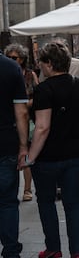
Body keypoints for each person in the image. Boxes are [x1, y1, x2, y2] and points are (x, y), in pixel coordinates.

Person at [19, 41, 79, 258]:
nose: (39, 67)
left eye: (41, 63)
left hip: (49, 157)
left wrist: (30, 157)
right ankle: (77, 252)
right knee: (73, 204)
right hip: (77, 152)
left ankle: (53, 249)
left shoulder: (44, 90)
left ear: (49, 64)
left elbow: (42, 127)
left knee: (46, 202)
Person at [0, 51, 28, 258]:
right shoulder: (11, 67)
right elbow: (21, 112)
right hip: (6, 142)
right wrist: (23, 145)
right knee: (8, 201)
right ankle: (10, 250)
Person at [4, 43, 39, 202]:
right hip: (10, 121)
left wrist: (27, 103)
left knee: (26, 153)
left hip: (26, 119)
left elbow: (37, 96)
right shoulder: (8, 70)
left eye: (15, 58)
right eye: (9, 57)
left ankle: (27, 188)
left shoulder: (30, 75)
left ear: (22, 59)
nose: (12, 60)